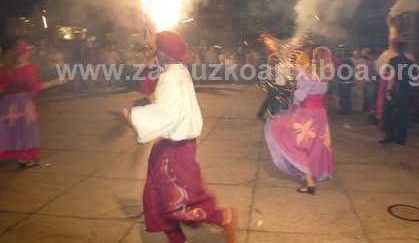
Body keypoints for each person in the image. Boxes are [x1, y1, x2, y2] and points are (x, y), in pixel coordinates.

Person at [122, 31, 237, 243]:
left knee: (183, 199)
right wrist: (150, 63)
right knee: (158, 196)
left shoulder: (171, 78)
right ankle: (176, 239)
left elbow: (168, 114)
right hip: (171, 146)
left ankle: (223, 217)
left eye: (156, 50)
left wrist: (134, 118)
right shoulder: (176, 70)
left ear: (164, 53)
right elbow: (145, 86)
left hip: (175, 149)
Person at [264, 47, 334, 195]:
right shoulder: (325, 75)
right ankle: (313, 174)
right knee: (314, 147)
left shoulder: (308, 75)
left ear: (315, 58)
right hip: (320, 115)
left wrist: (293, 99)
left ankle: (309, 183)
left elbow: (299, 97)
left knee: (295, 143)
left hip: (307, 115)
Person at [0, 41, 65, 168]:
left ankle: (21, 158)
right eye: (26, 52)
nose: (27, 55)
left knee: (16, 131)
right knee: (25, 132)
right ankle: (24, 158)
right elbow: (37, 86)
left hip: (10, 105)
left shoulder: (8, 69)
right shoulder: (27, 68)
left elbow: (3, 87)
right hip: (22, 105)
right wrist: (55, 82)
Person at [379, 40, 417, 145]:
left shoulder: (393, 60)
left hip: (395, 89)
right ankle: (401, 138)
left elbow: (390, 76)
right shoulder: (410, 62)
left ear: (396, 48)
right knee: (403, 114)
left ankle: (389, 136)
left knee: (390, 114)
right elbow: (415, 77)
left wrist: (388, 90)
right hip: (406, 90)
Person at [337, 51, 354, 115]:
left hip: (343, 81)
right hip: (349, 81)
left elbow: (339, 72)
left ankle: (344, 110)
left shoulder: (341, 62)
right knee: (348, 96)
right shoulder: (351, 62)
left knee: (343, 96)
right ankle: (348, 110)